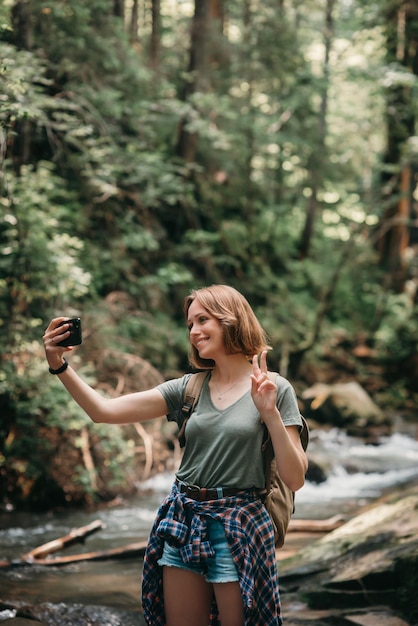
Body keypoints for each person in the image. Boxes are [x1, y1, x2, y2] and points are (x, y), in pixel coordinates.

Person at [43, 284, 308, 626]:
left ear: (232, 320)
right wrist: (58, 364)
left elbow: (295, 477)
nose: (194, 332)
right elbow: (103, 411)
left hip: (238, 525)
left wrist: (270, 413)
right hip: (183, 518)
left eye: (203, 320)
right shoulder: (188, 388)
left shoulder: (274, 387)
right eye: (190, 325)